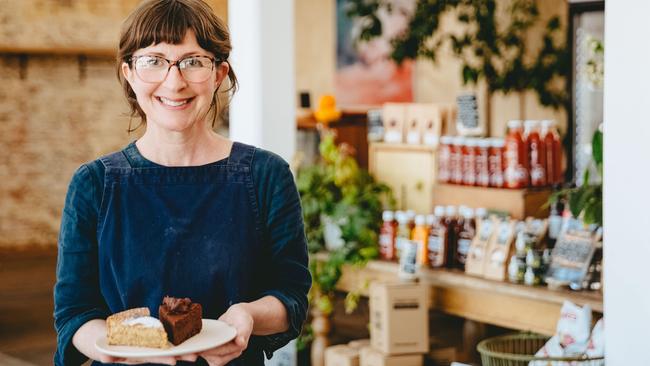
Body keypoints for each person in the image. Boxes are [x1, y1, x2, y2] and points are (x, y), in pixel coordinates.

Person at [53, 1, 311, 365]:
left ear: (220, 73)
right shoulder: (93, 185)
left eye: (193, 61)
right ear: (128, 72)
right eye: (153, 61)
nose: (174, 82)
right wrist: (119, 349)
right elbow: (74, 314)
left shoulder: (266, 175)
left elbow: (291, 296)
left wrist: (248, 315)